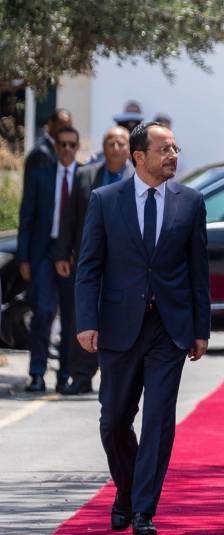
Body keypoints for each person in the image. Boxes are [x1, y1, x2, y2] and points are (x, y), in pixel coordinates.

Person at [75, 121, 210, 535]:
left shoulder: (190, 203)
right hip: (118, 326)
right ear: (139, 157)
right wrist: (85, 322)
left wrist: (200, 328)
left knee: (158, 420)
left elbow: (198, 272)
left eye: (175, 147)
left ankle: (143, 510)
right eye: (164, 150)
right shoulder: (105, 200)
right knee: (114, 421)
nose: (173, 156)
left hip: (168, 328)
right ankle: (128, 492)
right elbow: (89, 267)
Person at [54, 126, 134, 395]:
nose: (115, 147)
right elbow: (69, 218)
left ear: (129, 148)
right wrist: (62, 253)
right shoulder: (86, 175)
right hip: (90, 259)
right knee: (85, 316)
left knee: (122, 318)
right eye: (110, 142)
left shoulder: (139, 178)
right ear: (104, 146)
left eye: (121, 142)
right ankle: (81, 376)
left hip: (126, 263)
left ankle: (120, 379)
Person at [17, 125, 80, 392]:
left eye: (71, 145)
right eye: (62, 144)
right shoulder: (41, 175)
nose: (66, 149)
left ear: (77, 148)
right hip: (43, 252)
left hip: (72, 256)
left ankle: (65, 373)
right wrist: (23, 258)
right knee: (42, 312)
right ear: (55, 147)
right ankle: (37, 373)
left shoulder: (85, 177)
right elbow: (27, 217)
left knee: (70, 317)